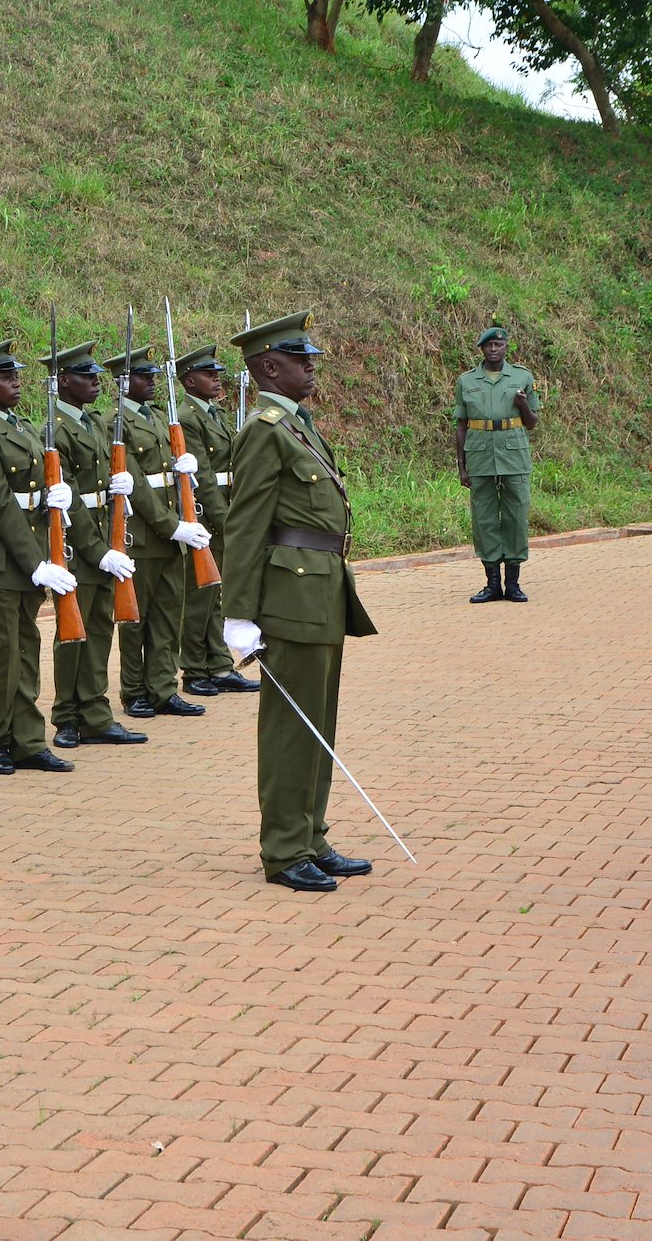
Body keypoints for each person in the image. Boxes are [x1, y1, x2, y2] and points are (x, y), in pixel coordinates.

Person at [222, 311, 377, 892]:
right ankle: (284, 850)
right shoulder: (265, 430)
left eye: (310, 358)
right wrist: (238, 615)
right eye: (299, 359)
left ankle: (310, 835)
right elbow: (244, 527)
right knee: (292, 727)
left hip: (320, 591)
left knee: (318, 722)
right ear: (269, 367)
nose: (311, 367)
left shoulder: (296, 425)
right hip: (289, 596)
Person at [0, 338, 77, 775]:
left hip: (30, 551)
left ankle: (28, 739)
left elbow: (31, 492)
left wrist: (55, 498)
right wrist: (36, 562)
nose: (16, 384)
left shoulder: (22, 427)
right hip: (1, 557)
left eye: (17, 376)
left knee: (27, 651)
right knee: (4, 658)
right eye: (6, 378)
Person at [43, 341, 147, 749]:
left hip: (107, 537)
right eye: (86, 377)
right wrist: (96, 550)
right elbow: (68, 497)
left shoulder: (96, 424)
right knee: (73, 631)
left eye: (96, 376)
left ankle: (95, 711)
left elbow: (103, 488)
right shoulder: (54, 430)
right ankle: (67, 716)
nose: (95, 383)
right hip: (77, 545)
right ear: (63, 381)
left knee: (101, 629)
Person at [101, 344, 211, 719]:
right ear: (121, 383)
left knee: (167, 617)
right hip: (142, 536)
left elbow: (168, 479)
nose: (150, 382)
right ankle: (134, 691)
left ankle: (163, 688)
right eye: (142, 376)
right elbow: (137, 486)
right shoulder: (114, 423)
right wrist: (174, 527)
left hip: (172, 533)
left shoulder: (159, 417)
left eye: (151, 375)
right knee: (136, 620)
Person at [174, 342, 257, 696]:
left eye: (217, 374)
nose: (216, 380)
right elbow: (204, 477)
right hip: (208, 514)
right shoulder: (189, 417)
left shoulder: (211, 412)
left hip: (226, 507)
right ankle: (195, 669)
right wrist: (226, 521)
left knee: (217, 596)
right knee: (199, 598)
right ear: (189, 381)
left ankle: (218, 664)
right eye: (208, 375)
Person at [454, 325, 539, 604]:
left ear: (506, 348)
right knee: (484, 519)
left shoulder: (522, 377)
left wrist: (523, 404)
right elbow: (461, 424)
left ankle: (513, 584)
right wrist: (462, 465)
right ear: (482, 349)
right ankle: (492, 584)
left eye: (499, 346)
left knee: (515, 516)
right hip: (479, 455)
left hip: (514, 455)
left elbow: (532, 422)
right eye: (489, 346)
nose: (494, 350)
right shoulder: (467, 381)